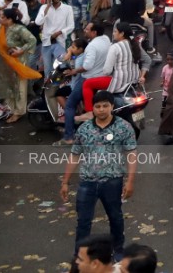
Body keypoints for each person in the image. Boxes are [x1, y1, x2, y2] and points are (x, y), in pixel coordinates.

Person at [61, 90, 138, 263]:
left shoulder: (123, 128)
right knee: (83, 222)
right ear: (93, 108)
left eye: (105, 106)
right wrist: (65, 182)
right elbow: (74, 155)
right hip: (87, 183)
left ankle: (118, 250)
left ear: (112, 106)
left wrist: (130, 181)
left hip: (113, 182)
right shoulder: (84, 129)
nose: (101, 109)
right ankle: (79, 256)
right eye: (98, 106)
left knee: (116, 218)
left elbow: (131, 155)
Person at [0, 7, 39, 124]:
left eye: (2, 17)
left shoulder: (19, 29)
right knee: (8, 85)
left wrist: (21, 51)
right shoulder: (2, 28)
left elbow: (32, 40)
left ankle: (18, 112)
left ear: (9, 19)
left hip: (18, 62)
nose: (0, 19)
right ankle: (9, 109)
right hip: (5, 62)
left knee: (19, 87)